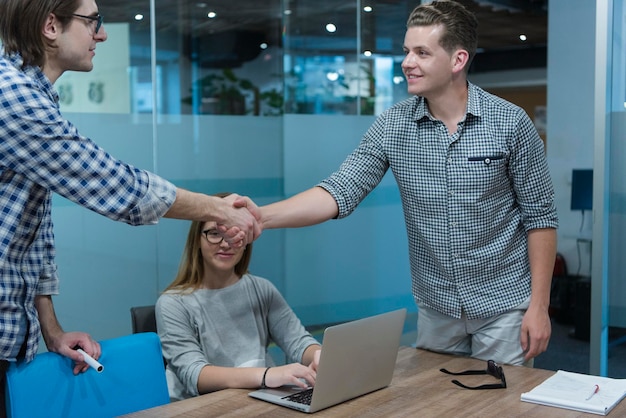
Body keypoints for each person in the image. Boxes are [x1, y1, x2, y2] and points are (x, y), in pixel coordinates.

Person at [256, 0, 558, 366]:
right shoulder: (393, 125)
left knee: (498, 406)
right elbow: (340, 190)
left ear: (458, 60)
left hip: (503, 306)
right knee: (435, 403)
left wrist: (538, 307)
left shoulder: (510, 123)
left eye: (422, 53)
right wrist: (261, 217)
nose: (406, 62)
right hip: (436, 307)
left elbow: (540, 219)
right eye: (406, 51)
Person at [0, 0, 260, 413]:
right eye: (92, 22)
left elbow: (30, 240)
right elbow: (117, 185)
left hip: (14, 336)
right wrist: (219, 210)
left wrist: (51, 330)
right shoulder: (12, 96)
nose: (101, 34)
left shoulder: (32, 94)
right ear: (51, 25)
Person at [156, 196, 320, 401]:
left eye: (235, 233)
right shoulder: (173, 303)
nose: (226, 243)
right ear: (197, 240)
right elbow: (194, 375)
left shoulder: (262, 289)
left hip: (258, 399)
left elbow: (298, 341)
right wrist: (267, 375)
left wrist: (318, 354)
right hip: (202, 407)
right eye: (215, 233)